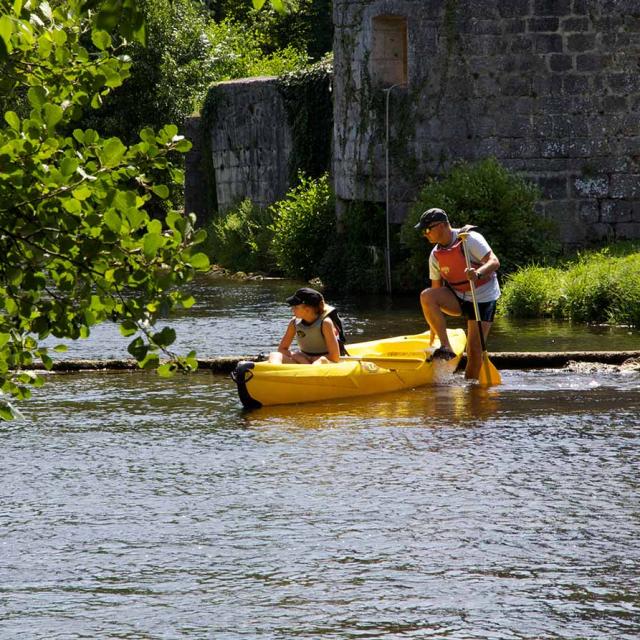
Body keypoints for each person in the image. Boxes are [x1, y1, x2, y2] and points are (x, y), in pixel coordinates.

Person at [415, 207, 500, 380]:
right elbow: (434, 292)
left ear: (441, 226)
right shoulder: (435, 255)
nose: (425, 234)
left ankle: (471, 391)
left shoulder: (469, 239)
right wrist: (433, 333)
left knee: (474, 350)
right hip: (458, 298)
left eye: (427, 229)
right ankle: (446, 346)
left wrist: (478, 274)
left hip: (482, 299)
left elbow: (494, 261)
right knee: (427, 295)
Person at [268, 287, 346, 365]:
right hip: (304, 361)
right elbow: (282, 349)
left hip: (324, 362)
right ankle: (275, 375)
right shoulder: (294, 323)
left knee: (320, 361)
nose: (292, 309)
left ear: (308, 309)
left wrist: (313, 359)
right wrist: (297, 356)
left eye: (296, 307)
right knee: (274, 355)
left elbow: (335, 357)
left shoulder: (326, 323)